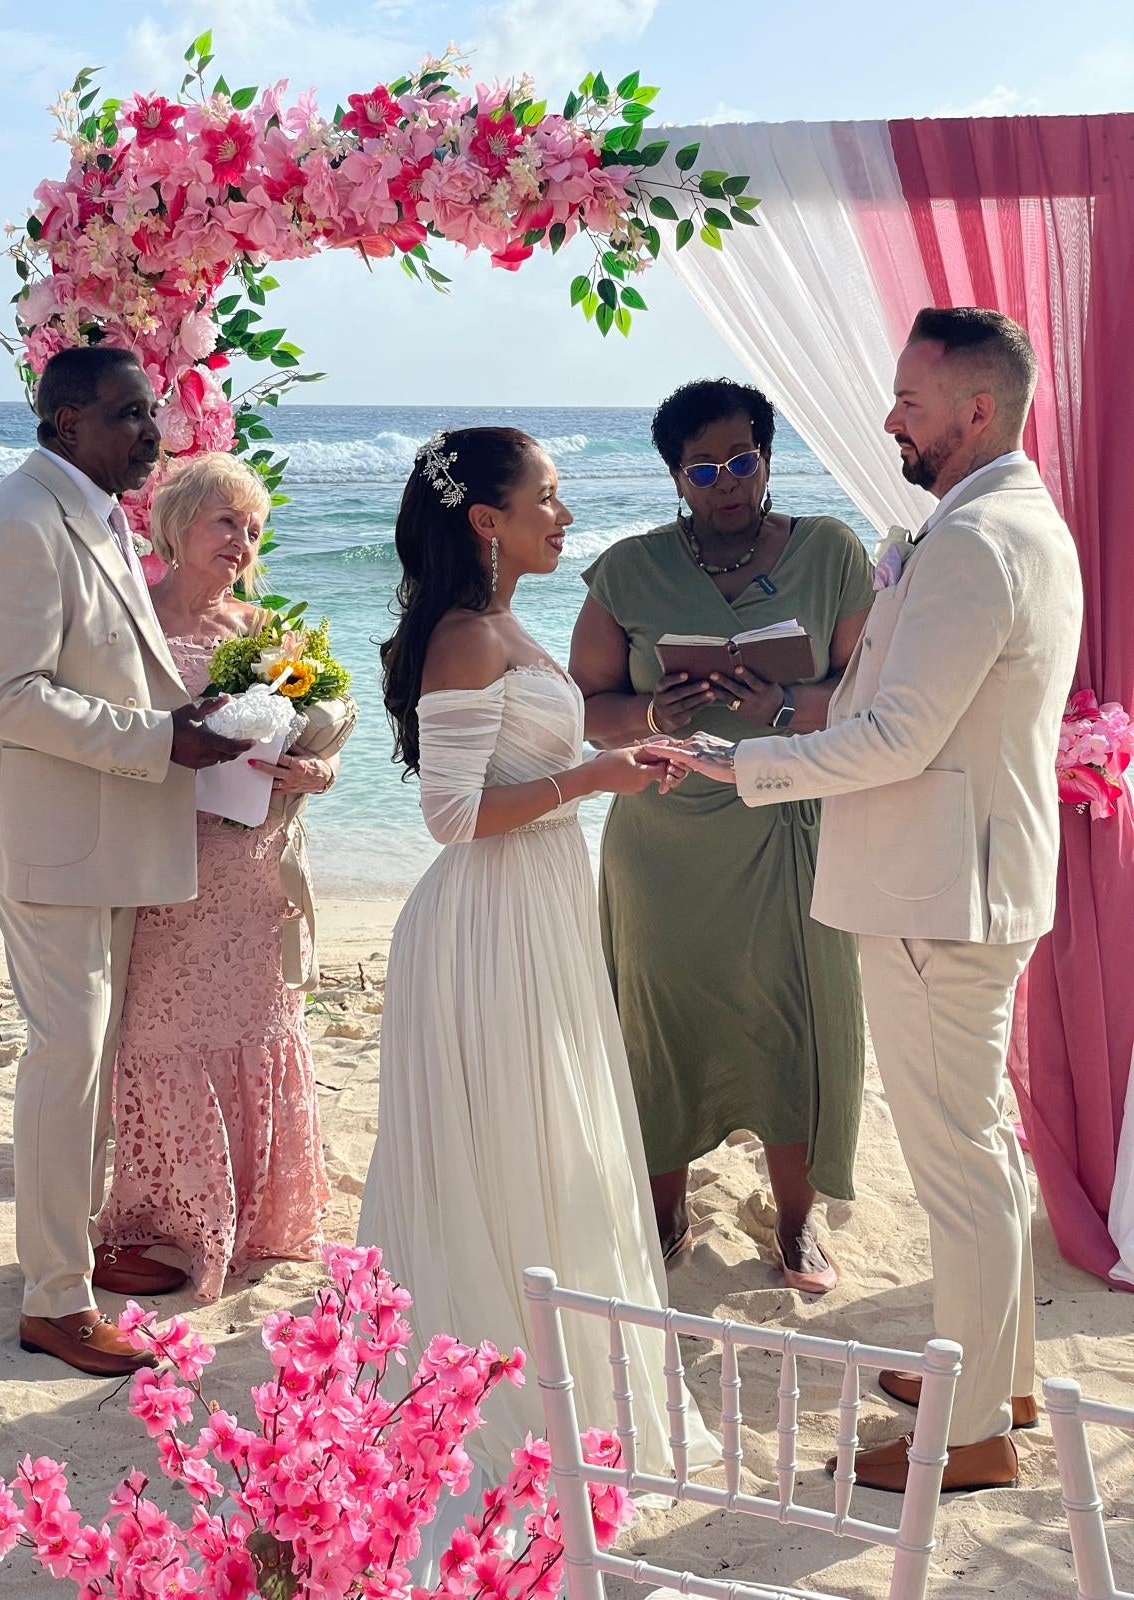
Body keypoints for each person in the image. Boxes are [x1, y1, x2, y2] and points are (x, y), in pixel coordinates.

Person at [644, 308, 1084, 1494]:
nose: (890, 415)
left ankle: (980, 1427)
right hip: (952, 879)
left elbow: (897, 734)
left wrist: (747, 767)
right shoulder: (988, 521)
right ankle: (1005, 1371)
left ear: (977, 412)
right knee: (976, 1148)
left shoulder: (981, 541)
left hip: (941, 893)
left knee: (954, 1158)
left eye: (910, 399)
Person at [358, 428, 713, 1558]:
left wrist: (639, 746)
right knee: (517, 1157)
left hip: (539, 915)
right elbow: (453, 816)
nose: (566, 513)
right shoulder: (465, 638)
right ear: (485, 520)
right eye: (548, 498)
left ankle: (578, 1402)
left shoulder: (505, 625)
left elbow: (527, 771)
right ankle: (498, 1414)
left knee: (556, 1149)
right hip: (487, 928)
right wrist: (598, 777)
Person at [0, 346, 249, 1377]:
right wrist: (159, 741)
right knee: (64, 1061)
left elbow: (101, 664)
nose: (151, 433)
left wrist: (188, 716)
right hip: (49, 841)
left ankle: (67, 1256)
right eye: (129, 415)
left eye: (153, 411)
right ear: (66, 418)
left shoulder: (92, 508)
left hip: (101, 832)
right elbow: (11, 696)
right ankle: (51, 1301)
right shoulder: (21, 524)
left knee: (90, 1057)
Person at [569, 380, 874, 1290]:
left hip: (788, 825)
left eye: (742, 461)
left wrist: (784, 702)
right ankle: (664, 1210)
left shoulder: (830, 552)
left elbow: (870, 699)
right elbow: (589, 712)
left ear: (768, 457)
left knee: (794, 1022)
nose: (726, 483)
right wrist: (650, 708)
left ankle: (797, 1222)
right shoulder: (628, 569)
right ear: (675, 476)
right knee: (662, 1024)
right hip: (665, 838)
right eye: (702, 469)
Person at [98, 452, 344, 1299]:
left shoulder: (262, 632)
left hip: (254, 863)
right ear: (175, 525)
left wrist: (318, 773)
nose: (242, 542)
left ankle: (259, 1216)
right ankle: (175, 1218)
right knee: (159, 1034)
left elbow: (312, 735)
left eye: (254, 529)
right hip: (164, 859)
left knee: (258, 1026)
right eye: (226, 523)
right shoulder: (129, 623)